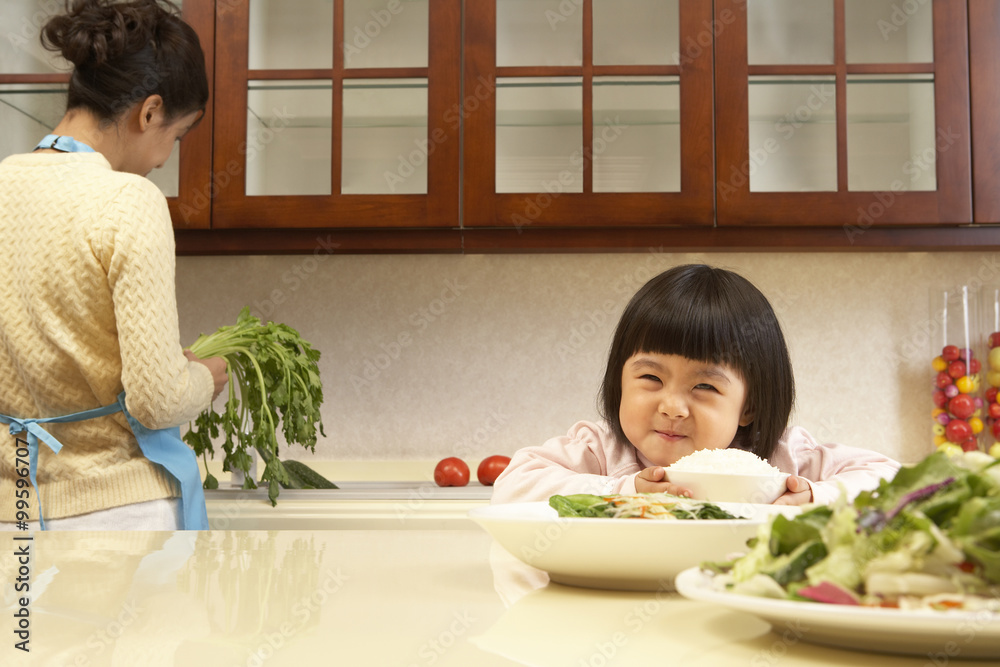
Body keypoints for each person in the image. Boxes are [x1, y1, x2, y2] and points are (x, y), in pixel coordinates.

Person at [0, 0, 227, 531]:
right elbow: (157, 400)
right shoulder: (127, 200)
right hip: (115, 514)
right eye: (175, 135)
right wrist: (202, 377)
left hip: (12, 515)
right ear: (148, 112)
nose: (164, 160)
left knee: (24, 622)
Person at [492, 264, 900, 506]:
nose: (672, 406)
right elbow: (513, 484)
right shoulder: (601, 451)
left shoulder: (780, 459)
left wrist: (815, 496)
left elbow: (893, 478)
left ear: (750, 406)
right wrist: (623, 491)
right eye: (651, 377)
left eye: (704, 387)